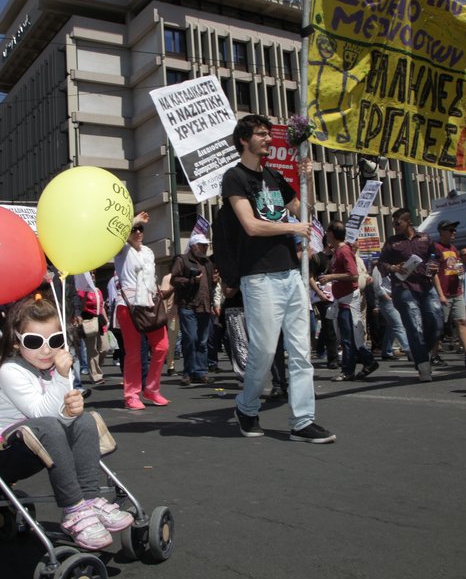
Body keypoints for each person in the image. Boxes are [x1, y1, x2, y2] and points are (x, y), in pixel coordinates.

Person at [0, 294, 133, 551]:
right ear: (16, 342)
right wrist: (61, 378)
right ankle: (73, 510)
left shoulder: (45, 368)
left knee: (84, 420)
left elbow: (57, 412)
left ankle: (90, 500)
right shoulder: (10, 371)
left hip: (35, 436)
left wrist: (72, 408)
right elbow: (40, 413)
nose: (46, 349)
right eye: (34, 341)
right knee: (48, 426)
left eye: (55, 340)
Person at [223, 114, 335, 444]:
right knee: (265, 352)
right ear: (244, 140)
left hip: (290, 275)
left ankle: (302, 420)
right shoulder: (235, 177)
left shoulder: (274, 176)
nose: (268, 140)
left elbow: (304, 212)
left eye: (269, 135)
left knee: (301, 351)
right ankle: (246, 406)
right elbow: (251, 225)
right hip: (259, 278)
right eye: (261, 135)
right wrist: (292, 228)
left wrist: (307, 180)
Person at [377, 208, 443, 381]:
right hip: (403, 288)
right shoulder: (392, 242)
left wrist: (435, 263)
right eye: (393, 223)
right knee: (414, 327)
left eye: (397, 223)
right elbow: (381, 263)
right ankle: (423, 365)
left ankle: (420, 350)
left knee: (437, 322)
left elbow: (436, 255)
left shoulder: (425, 238)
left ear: (408, 221)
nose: (395, 226)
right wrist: (392, 267)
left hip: (426, 286)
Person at [112, 212, 170, 410]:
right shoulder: (121, 249)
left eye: (140, 229)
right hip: (128, 305)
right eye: (133, 229)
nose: (137, 232)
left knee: (162, 346)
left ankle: (151, 389)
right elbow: (115, 235)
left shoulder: (148, 252)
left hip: (150, 303)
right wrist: (133, 221)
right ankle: (131, 394)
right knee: (134, 352)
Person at [320, 221, 377, 382]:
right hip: (343, 299)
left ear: (332, 234)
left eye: (327, 232)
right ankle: (367, 361)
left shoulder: (344, 251)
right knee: (350, 336)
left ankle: (349, 370)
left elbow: (353, 274)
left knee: (348, 337)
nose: (326, 235)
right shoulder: (339, 251)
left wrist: (331, 277)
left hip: (348, 300)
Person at [431, 221, 466, 366]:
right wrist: (440, 294)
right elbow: (433, 273)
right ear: (442, 231)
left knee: (462, 322)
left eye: (454, 230)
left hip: (456, 291)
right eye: (450, 230)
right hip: (443, 293)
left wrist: (460, 271)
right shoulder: (436, 248)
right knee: (439, 326)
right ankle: (434, 355)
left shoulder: (454, 249)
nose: (454, 232)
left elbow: (457, 267)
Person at [170, 233, 215, 386]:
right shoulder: (182, 260)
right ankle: (188, 372)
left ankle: (200, 372)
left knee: (202, 340)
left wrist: (214, 283)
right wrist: (191, 281)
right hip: (188, 305)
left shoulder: (208, 262)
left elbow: (209, 284)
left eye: (206, 244)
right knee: (191, 339)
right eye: (202, 245)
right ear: (194, 245)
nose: (205, 247)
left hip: (205, 305)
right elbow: (174, 280)